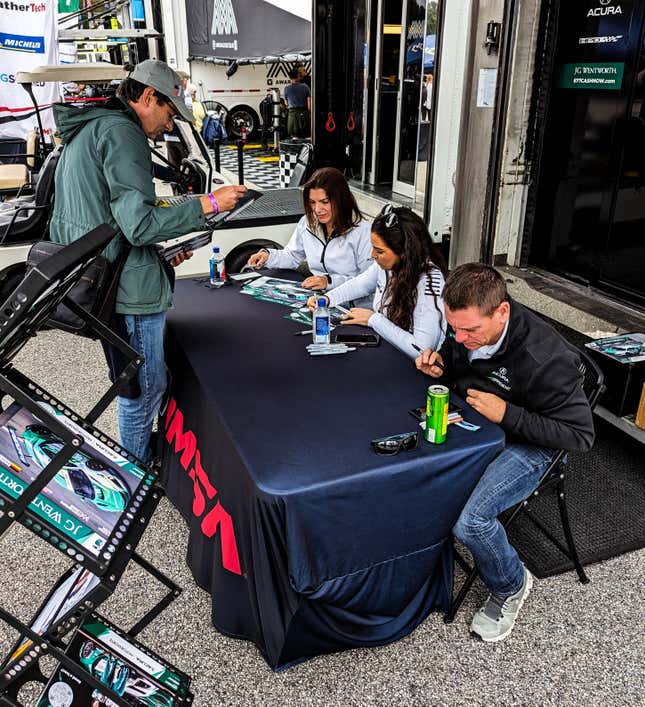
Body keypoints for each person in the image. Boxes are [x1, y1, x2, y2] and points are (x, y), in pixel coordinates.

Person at [49, 59, 247, 461]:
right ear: (148, 96)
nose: (170, 125)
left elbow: (109, 219)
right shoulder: (123, 133)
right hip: (124, 288)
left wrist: (157, 254)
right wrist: (206, 204)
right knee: (142, 385)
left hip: (101, 276)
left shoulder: (91, 126)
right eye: (170, 113)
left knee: (132, 380)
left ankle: (135, 460)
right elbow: (138, 226)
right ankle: (133, 475)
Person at [415, 263, 595, 642]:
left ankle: (511, 583)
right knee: (408, 458)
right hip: (480, 424)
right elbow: (457, 353)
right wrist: (442, 364)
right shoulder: (468, 325)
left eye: (470, 330)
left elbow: (579, 436)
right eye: (455, 327)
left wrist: (507, 414)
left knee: (471, 522)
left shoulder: (544, 359)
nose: (460, 337)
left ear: (502, 311)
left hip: (535, 444)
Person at [308, 205, 447, 358]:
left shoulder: (430, 283)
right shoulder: (389, 266)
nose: (373, 255)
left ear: (405, 252)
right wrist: (327, 298)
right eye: (373, 247)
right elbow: (360, 284)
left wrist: (374, 320)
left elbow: (422, 350)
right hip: (388, 351)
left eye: (380, 251)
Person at [247, 167, 372, 296]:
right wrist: (268, 256)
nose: (317, 209)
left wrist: (329, 282)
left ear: (341, 200)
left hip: (353, 307)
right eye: (312, 202)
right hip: (318, 299)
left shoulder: (363, 232)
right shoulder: (307, 222)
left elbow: (368, 282)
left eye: (325, 202)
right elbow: (292, 255)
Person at [283, 68, 311, 138]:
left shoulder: (287, 88)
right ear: (298, 76)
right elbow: (309, 102)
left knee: (294, 136)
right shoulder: (305, 87)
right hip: (304, 113)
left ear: (290, 77)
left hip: (292, 115)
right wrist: (309, 112)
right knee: (306, 135)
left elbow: (286, 103)